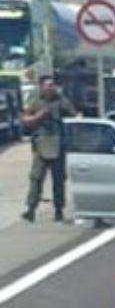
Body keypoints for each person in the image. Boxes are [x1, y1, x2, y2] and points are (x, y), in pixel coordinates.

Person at [20, 76, 77, 223]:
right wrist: (40, 116)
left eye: (53, 85)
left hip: (58, 145)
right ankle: (30, 208)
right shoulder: (36, 101)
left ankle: (59, 210)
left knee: (58, 180)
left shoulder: (61, 100)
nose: (51, 88)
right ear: (41, 87)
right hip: (41, 145)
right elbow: (25, 120)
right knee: (36, 178)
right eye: (48, 85)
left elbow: (73, 115)